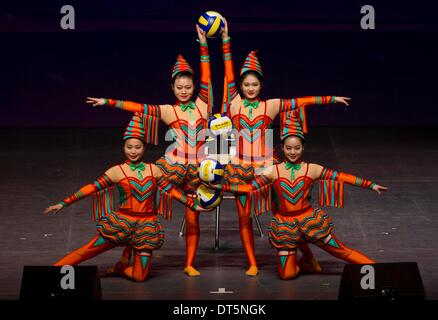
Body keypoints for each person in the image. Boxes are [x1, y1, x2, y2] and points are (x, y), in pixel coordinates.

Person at [217, 18, 351, 276]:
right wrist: (225, 39)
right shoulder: (233, 102)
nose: (250, 88)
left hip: (268, 165)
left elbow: (302, 100)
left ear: (261, 85)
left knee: (286, 213)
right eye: (246, 84)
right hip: (239, 166)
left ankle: (309, 256)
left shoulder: (272, 105)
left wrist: (331, 98)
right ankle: (253, 263)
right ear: (240, 87)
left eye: (255, 84)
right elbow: (228, 70)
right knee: (243, 217)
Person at [85, 26, 212, 277]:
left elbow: (208, 76)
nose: (184, 91)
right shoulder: (167, 110)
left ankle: (189, 263)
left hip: (199, 170)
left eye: (188, 86)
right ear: (172, 88)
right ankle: (126, 255)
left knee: (194, 218)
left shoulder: (203, 104)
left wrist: (204, 44)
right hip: (173, 167)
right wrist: (109, 102)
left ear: (194, 87)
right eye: (179, 87)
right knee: (144, 209)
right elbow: (139, 107)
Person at [45, 114, 208, 282]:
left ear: (144, 148)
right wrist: (64, 203)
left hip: (146, 228)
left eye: (137, 147)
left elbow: (171, 190)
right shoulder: (116, 171)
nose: (133, 151)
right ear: (124, 148)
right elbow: (92, 188)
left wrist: (192, 205)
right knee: (85, 252)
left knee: (139, 277)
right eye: (129, 147)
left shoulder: (154, 170)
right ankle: (49, 275)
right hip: (121, 224)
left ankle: (120, 268)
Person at [207, 130, 388, 279]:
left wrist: (370, 185)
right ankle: (308, 264)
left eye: (297, 148)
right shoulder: (273, 171)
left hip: (310, 222)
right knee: (286, 276)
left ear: (302, 148)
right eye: (288, 148)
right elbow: (248, 188)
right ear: (283, 149)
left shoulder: (313, 169)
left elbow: (341, 177)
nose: (292, 152)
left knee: (342, 252)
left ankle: (382, 272)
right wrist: (220, 186)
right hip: (285, 227)